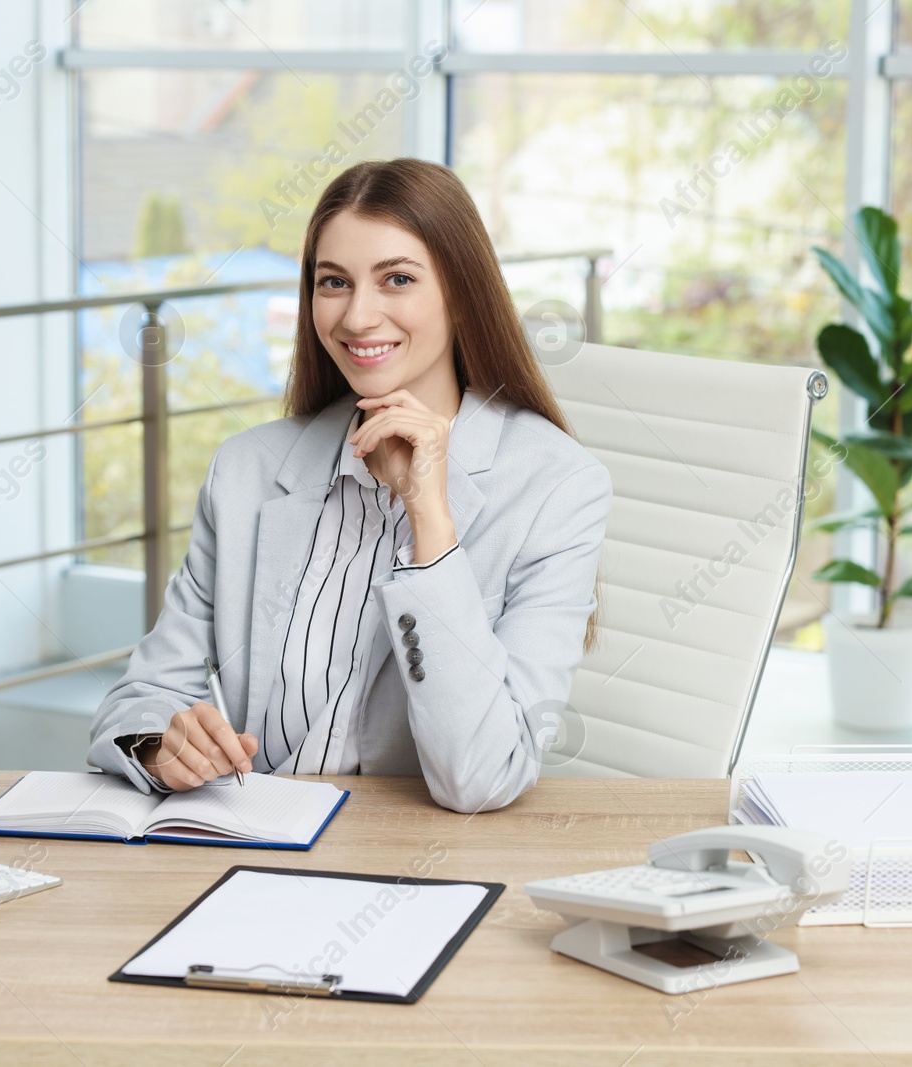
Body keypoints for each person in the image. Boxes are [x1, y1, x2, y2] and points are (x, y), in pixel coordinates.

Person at [87, 157, 611, 813]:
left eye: (397, 279)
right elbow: (140, 698)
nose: (358, 316)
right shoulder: (247, 472)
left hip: (421, 863)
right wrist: (161, 744)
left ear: (461, 290)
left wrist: (430, 515)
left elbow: (482, 775)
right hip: (253, 846)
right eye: (334, 282)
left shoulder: (558, 489)